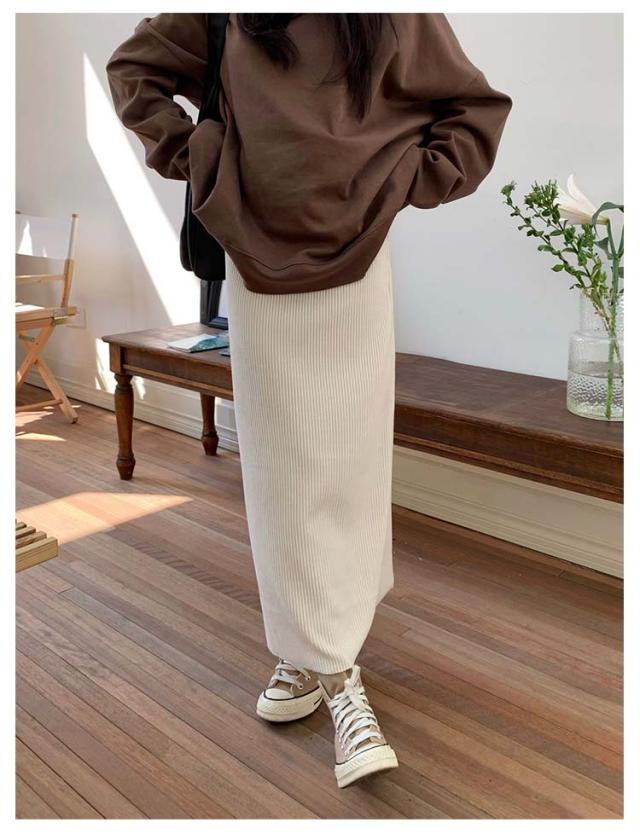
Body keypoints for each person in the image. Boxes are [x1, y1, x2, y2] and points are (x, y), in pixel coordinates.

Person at [106, 12, 511, 788]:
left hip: (360, 257)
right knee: (283, 472)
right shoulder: (225, 11)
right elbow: (135, 71)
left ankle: (314, 656)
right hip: (256, 257)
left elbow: (474, 109)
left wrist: (404, 180)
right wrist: (204, 159)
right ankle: (331, 672)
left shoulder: (391, 12)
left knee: (352, 466)